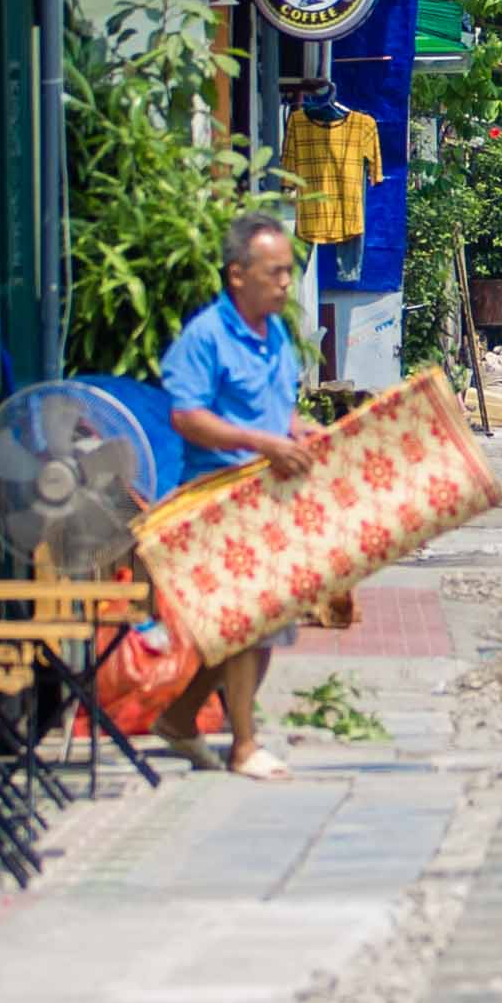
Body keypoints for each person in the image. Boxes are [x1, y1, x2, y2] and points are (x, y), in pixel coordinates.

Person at [156, 210, 326, 780]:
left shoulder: (273, 333)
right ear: (237, 274)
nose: (284, 283)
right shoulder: (206, 336)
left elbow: (279, 408)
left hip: (269, 496)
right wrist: (261, 442)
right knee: (248, 622)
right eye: (274, 273)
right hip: (218, 497)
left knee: (260, 624)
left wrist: (299, 430)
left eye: (287, 273)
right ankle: (243, 745)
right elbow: (186, 415)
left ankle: (181, 718)